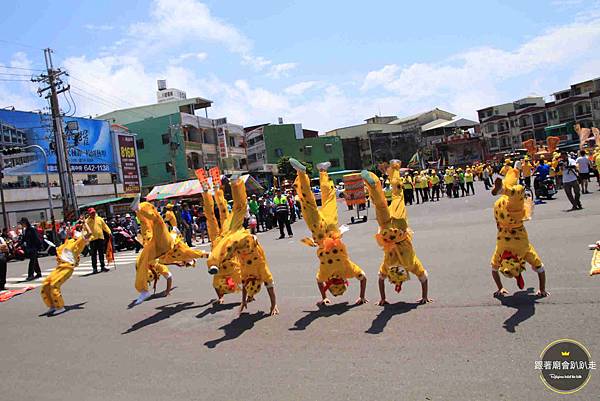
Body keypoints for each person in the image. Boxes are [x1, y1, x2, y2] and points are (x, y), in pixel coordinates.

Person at [290, 158, 367, 306]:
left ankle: (323, 171)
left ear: (345, 282)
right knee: (309, 204)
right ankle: (302, 173)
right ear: (329, 283)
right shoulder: (325, 273)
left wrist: (362, 296)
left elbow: (363, 278)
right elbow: (319, 282)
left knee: (329, 199)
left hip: (332, 229)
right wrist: (324, 296)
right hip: (320, 232)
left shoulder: (348, 270)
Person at [362, 161, 432, 305]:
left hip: (400, 229)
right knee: (380, 205)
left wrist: (425, 296)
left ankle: (394, 168)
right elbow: (381, 279)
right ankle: (373, 184)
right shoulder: (388, 265)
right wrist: (383, 298)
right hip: (387, 230)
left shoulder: (411, 264)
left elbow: (423, 278)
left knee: (397, 195)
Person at [490, 168, 547, 297]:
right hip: (502, 215)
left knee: (519, 192)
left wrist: (542, 289)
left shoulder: (525, 252)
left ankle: (505, 185)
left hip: (511, 219)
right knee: (518, 190)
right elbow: (494, 269)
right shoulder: (503, 252)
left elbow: (541, 269)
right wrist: (500, 287)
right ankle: (507, 183)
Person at [40, 223, 91, 316]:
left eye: (75, 232)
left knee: (54, 285)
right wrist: (70, 229)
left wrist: (85, 223)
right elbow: (68, 234)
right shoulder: (68, 242)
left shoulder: (78, 243)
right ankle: (52, 305)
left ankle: (60, 307)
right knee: (46, 284)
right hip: (59, 267)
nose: (73, 232)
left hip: (67, 267)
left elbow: (89, 233)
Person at [85, 208, 111, 274]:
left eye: (94, 212)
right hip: (92, 239)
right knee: (93, 255)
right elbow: (85, 230)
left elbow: (104, 226)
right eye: (91, 213)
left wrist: (109, 232)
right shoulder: (86, 221)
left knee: (101, 253)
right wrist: (86, 237)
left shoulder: (99, 219)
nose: (93, 214)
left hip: (100, 238)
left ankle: (102, 266)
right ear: (89, 214)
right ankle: (94, 268)